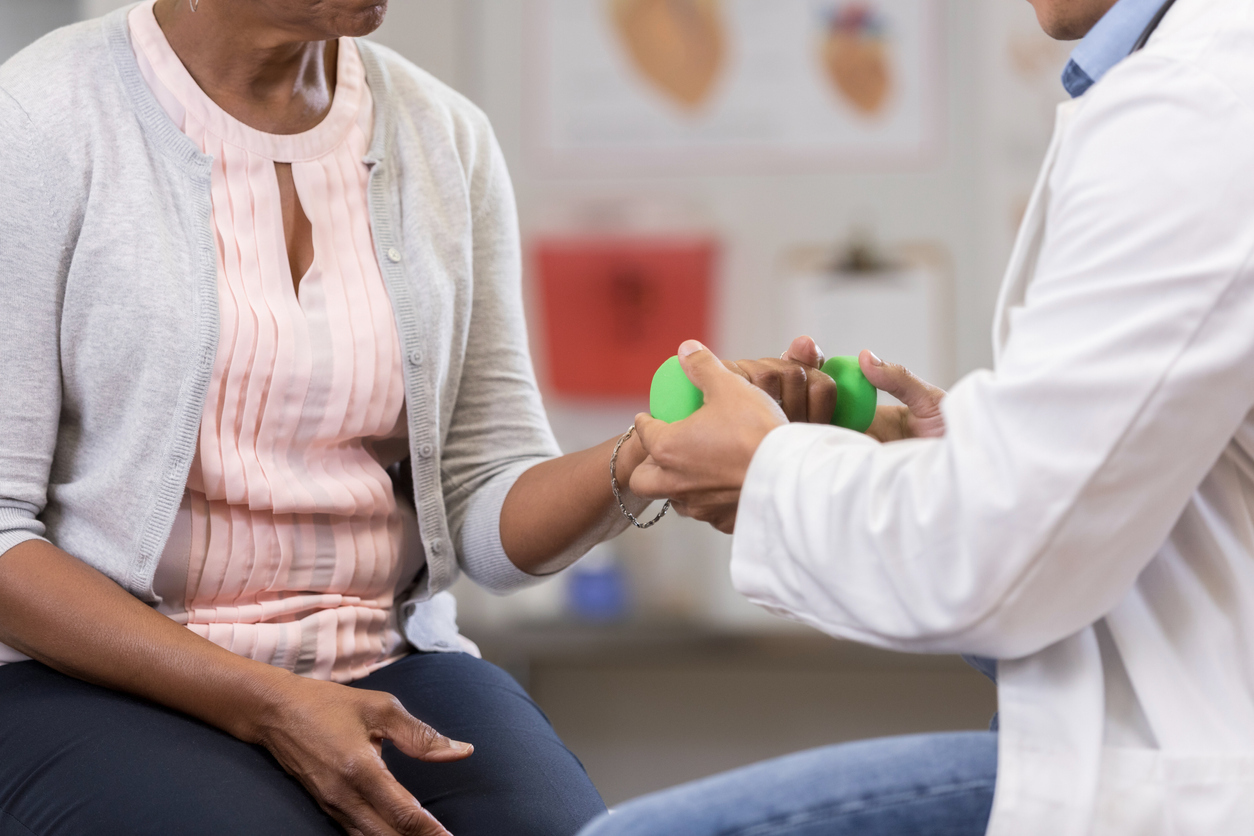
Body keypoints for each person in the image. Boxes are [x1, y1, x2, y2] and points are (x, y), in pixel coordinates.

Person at [0, 0, 698, 833]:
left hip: (386, 660)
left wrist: (641, 458)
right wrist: (269, 702)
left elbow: (481, 504)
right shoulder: (38, 120)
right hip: (99, 678)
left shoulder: (445, 135)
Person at [579, 0, 1254, 834]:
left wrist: (769, 474)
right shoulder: (1185, 86)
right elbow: (1154, 473)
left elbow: (1000, 564)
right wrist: (939, 455)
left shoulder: (1196, 110)